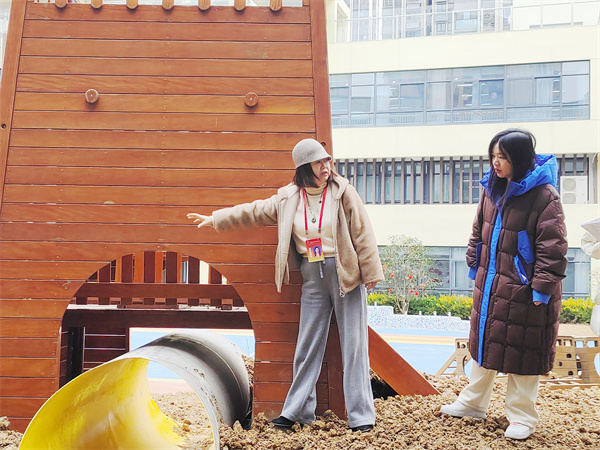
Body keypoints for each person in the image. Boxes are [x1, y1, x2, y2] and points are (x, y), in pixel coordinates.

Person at [187, 138, 383, 432]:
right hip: (312, 274)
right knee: (307, 345)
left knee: (354, 345)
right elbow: (253, 212)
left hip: (345, 273)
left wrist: (371, 273)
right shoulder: (288, 197)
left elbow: (362, 232)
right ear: (304, 167)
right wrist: (215, 219)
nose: (326, 166)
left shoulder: (343, 192)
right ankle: (298, 411)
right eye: (318, 162)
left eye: (327, 160)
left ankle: (362, 416)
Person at [440, 129, 567, 440]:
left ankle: (522, 417)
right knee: (485, 344)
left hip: (525, 289)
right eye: (493, 156)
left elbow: (553, 248)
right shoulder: (492, 188)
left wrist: (541, 289)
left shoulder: (544, 196)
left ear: (519, 159)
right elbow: (478, 229)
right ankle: (473, 403)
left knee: (524, 353)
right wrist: (475, 264)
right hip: (491, 283)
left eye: (503, 157)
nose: (496, 163)